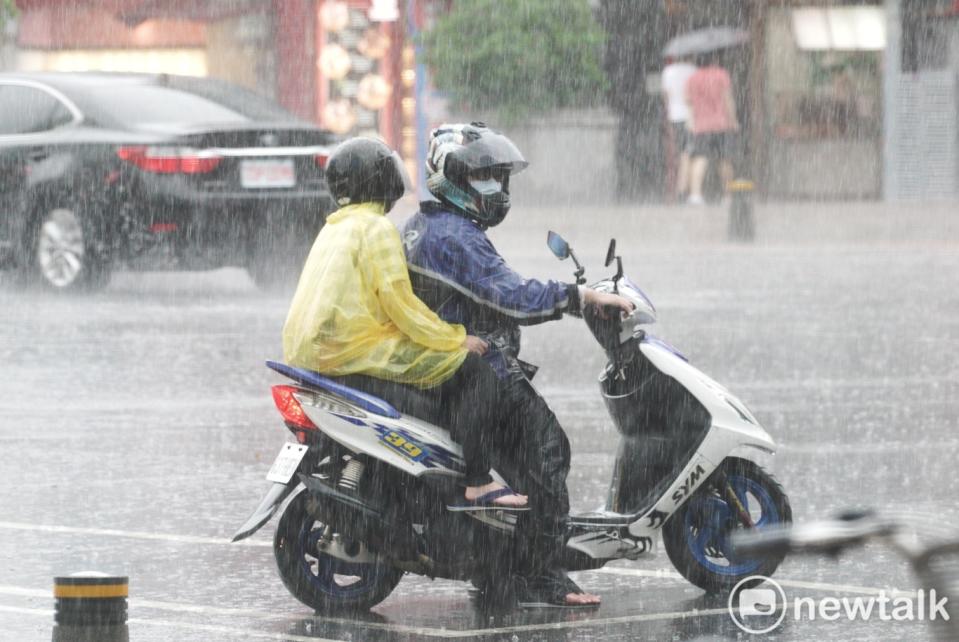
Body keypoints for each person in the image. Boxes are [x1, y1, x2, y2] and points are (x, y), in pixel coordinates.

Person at [402, 122, 634, 608]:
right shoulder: (456, 237)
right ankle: (540, 575)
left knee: (529, 465)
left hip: (445, 365)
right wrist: (579, 296)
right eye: (484, 175)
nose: (496, 188)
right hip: (483, 372)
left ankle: (497, 571)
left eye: (499, 176)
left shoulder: (428, 224)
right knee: (548, 453)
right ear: (454, 178)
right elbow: (511, 296)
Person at [282, 137, 526, 510]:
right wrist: (454, 339)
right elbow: (401, 304)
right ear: (383, 179)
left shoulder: (335, 226)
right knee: (476, 375)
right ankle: (477, 481)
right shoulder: (376, 229)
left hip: (310, 352)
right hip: (354, 350)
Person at [685, 51, 739, 205]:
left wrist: (691, 122)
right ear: (714, 60)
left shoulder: (692, 79)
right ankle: (728, 196)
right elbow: (728, 99)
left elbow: (689, 103)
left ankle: (695, 195)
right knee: (724, 160)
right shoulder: (721, 75)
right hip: (721, 124)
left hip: (701, 125)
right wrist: (733, 120)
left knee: (700, 159)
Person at [661, 56, 697, 201]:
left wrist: (668, 110)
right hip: (690, 116)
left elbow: (666, 95)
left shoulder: (667, 71)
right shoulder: (693, 70)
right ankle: (684, 188)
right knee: (689, 152)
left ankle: (678, 187)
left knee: (676, 152)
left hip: (673, 115)